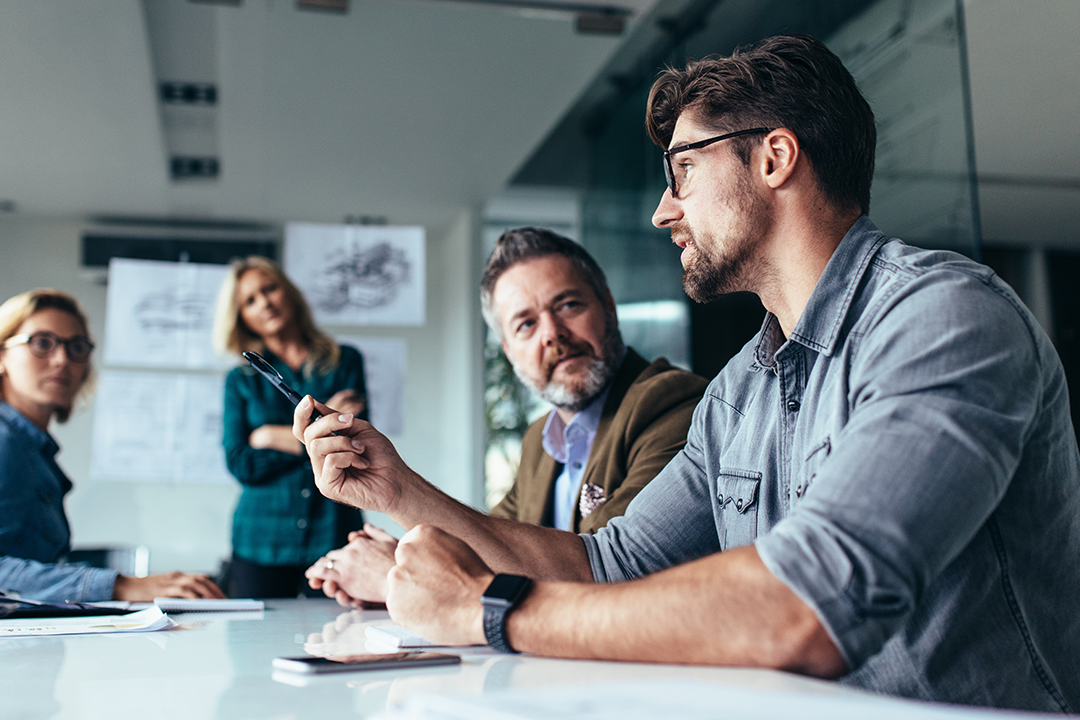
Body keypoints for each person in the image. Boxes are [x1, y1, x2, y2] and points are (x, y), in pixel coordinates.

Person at [293, 35, 1080, 712]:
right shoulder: (740, 390)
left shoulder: (944, 319)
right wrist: (395, 490)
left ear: (774, 157)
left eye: (683, 171)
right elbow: (606, 565)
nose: (664, 211)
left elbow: (807, 606)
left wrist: (490, 610)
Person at [304, 228, 708, 606]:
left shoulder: (673, 404)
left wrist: (397, 574)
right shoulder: (540, 440)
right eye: (526, 324)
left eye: (567, 305)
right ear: (508, 350)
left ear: (608, 306)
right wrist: (408, 553)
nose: (552, 333)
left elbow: (603, 575)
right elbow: (491, 546)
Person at [0, 289, 224, 602]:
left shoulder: (34, 450)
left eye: (76, 347)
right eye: (41, 342)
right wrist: (122, 586)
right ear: (2, 355)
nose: (62, 359)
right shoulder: (5, 442)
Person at [214, 256, 367, 598]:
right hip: (261, 540)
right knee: (255, 647)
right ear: (242, 317)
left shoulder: (345, 362)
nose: (264, 302)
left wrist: (267, 436)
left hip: (333, 533)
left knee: (339, 639)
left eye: (270, 289)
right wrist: (318, 435)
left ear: (289, 293)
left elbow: (353, 444)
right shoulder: (240, 381)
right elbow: (241, 462)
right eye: (250, 300)